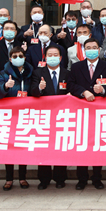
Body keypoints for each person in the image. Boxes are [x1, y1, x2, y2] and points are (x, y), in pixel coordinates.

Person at [68, 38, 106, 190]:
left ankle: (97, 178)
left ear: (99, 50)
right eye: (88, 47)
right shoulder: (76, 67)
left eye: (94, 47)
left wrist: (102, 90)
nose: (91, 50)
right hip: (81, 112)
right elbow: (70, 84)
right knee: (82, 145)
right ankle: (81, 179)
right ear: (84, 50)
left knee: (97, 145)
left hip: (99, 112)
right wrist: (83, 92)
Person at [30, 46, 71, 189]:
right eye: (49, 55)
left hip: (61, 116)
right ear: (45, 57)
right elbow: (32, 92)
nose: (52, 57)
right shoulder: (37, 73)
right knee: (44, 148)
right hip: (44, 116)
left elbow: (71, 90)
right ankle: (44, 179)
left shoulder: (67, 73)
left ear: (60, 58)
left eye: (55, 55)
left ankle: (60, 178)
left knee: (60, 147)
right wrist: (40, 88)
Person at [0, 46, 33, 191]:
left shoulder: (30, 72)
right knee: (9, 147)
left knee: (22, 146)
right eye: (15, 56)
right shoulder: (4, 74)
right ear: (10, 59)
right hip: (10, 114)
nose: (18, 58)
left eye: (20, 55)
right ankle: (9, 179)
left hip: (26, 114)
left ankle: (22, 177)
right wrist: (5, 86)